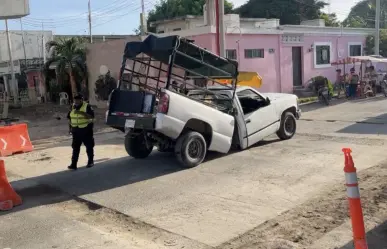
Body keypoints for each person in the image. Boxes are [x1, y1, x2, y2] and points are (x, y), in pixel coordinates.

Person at [67, 94, 95, 170]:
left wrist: (80, 113)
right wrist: (70, 129)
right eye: (75, 100)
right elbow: (70, 118)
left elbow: (91, 116)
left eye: (78, 100)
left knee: (89, 146)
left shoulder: (87, 106)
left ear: (81, 100)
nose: (76, 101)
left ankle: (90, 162)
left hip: (86, 130)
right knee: (75, 147)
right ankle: (73, 164)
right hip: (75, 131)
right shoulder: (72, 106)